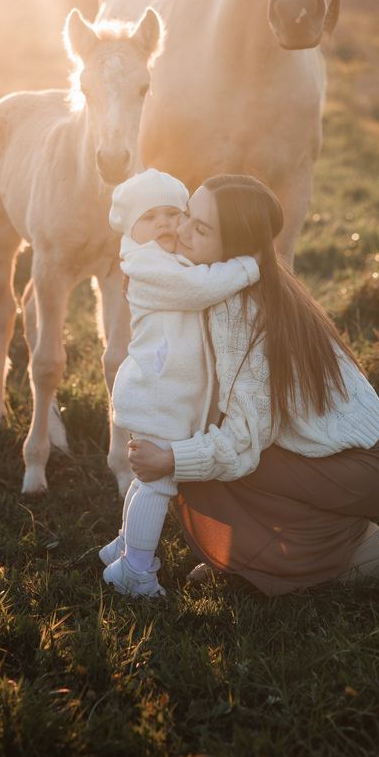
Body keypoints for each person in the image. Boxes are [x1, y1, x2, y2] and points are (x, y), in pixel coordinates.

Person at [127, 174, 379, 596]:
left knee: (206, 466)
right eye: (188, 215)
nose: (179, 230)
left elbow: (243, 441)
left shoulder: (238, 310)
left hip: (364, 468)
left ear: (234, 249)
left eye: (200, 229)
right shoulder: (242, 278)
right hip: (349, 455)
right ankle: (268, 555)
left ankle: (346, 553)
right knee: (205, 451)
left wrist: (171, 459)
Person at [101, 168, 260, 597]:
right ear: (131, 227)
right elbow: (196, 289)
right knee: (158, 483)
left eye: (174, 214)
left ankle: (122, 543)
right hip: (158, 393)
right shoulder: (146, 264)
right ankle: (134, 570)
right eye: (151, 217)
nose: (166, 225)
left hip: (164, 391)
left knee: (145, 479)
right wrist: (246, 266)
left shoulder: (161, 258)